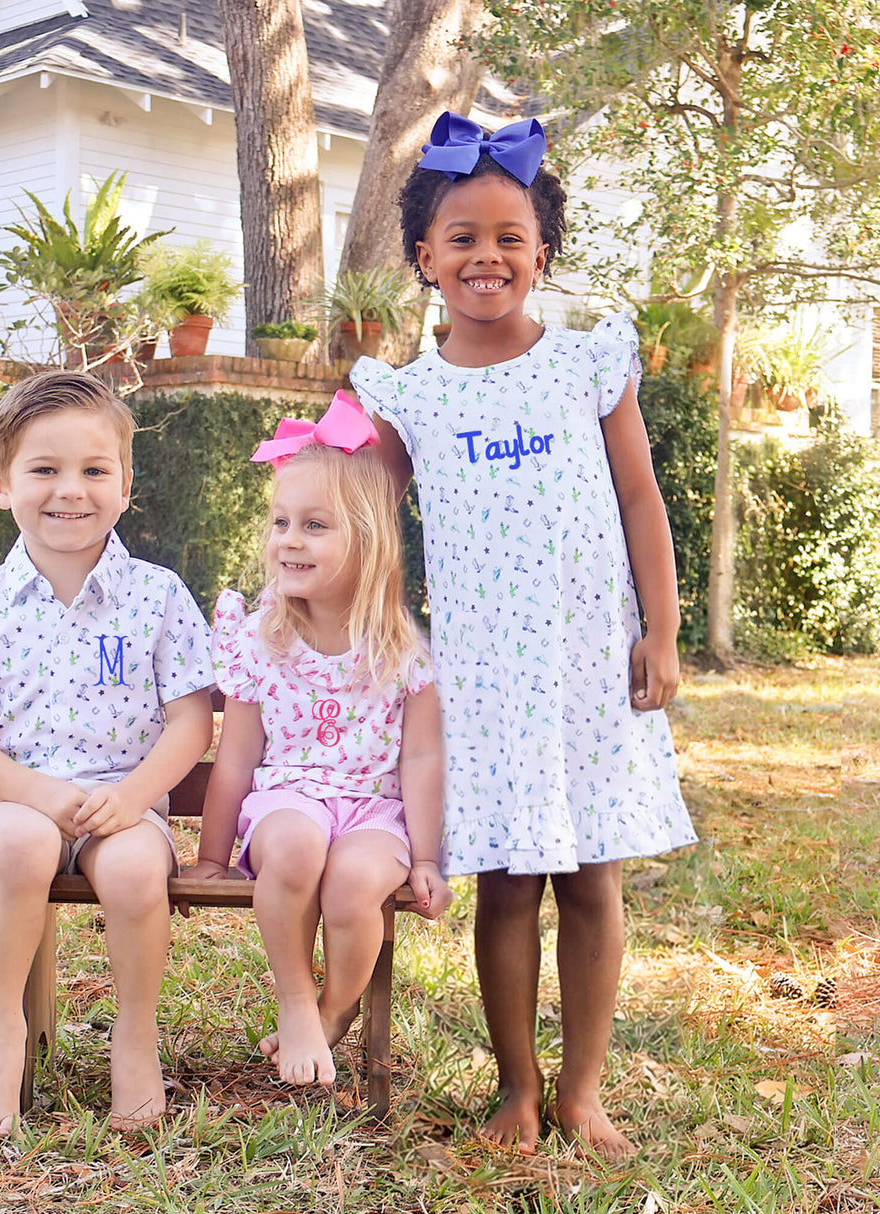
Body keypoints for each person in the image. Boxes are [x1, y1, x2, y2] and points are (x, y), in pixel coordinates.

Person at [349, 112, 697, 1159]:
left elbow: (639, 500)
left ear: (541, 254)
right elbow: (367, 526)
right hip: (483, 680)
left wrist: (661, 630)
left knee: (591, 876)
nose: (485, 256)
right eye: (460, 237)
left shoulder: (588, 366)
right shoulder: (407, 395)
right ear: (423, 259)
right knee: (502, 882)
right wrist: (365, 631)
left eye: (508, 236)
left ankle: (581, 1091)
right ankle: (514, 1084)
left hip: (588, 665)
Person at [0, 370, 215, 1141]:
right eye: (43, 470)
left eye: (94, 471)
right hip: (18, 802)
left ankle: (136, 1038)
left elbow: (192, 723)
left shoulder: (158, 595)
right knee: (21, 844)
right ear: (0, 483)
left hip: (125, 805)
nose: (70, 491)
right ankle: (3, 1034)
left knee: (127, 870)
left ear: (126, 485)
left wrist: (134, 797)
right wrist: (37, 795)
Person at [192, 390, 452, 1086]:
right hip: (289, 799)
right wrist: (211, 857)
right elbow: (238, 754)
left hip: (375, 812)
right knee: (299, 844)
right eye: (280, 522)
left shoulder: (402, 651)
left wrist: (427, 858)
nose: (289, 540)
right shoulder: (261, 639)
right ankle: (294, 999)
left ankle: (333, 1011)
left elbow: (423, 758)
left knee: (358, 883)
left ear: (365, 541)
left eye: (313, 525)